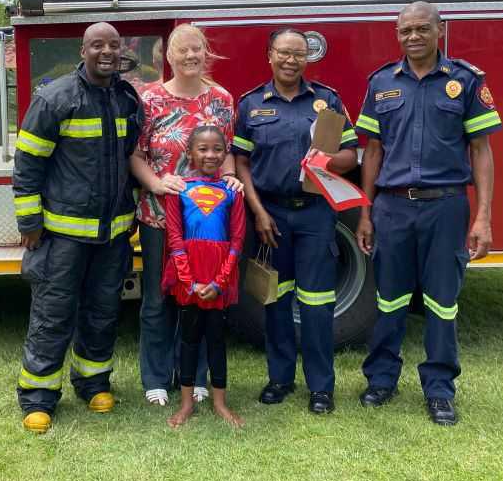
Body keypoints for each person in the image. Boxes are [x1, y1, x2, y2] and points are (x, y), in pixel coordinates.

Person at [355, 1, 500, 426]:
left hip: (446, 205)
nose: (413, 37)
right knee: (389, 299)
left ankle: (439, 389)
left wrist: (483, 216)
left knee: (442, 302)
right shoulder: (382, 83)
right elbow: (373, 153)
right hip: (392, 206)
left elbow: (481, 151)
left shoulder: (466, 81)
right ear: (397, 34)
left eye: (421, 29)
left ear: (440, 30)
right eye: (405, 31)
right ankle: (381, 379)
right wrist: (365, 212)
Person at [12, 22, 143, 434]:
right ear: (83, 50)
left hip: (112, 234)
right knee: (53, 314)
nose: (107, 51)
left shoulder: (126, 98)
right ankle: (38, 397)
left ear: (121, 51)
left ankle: (93, 383)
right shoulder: (55, 98)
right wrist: (30, 221)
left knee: (102, 313)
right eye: (97, 45)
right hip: (62, 235)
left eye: (113, 45)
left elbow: (131, 158)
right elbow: (28, 163)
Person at [233, 28, 358, 415]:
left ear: (308, 58)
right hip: (271, 213)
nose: (291, 61)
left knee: (318, 303)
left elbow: (351, 155)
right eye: (284, 53)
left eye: (299, 54)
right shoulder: (251, 104)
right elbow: (240, 162)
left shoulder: (327, 101)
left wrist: (325, 160)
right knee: (275, 299)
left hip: (316, 213)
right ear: (270, 55)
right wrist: (258, 212)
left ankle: (321, 387)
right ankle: (280, 379)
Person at [129, 24, 240, 408]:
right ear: (167, 56)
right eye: (183, 50)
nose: (191, 56)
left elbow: (226, 153)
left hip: (208, 222)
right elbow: (136, 154)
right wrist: (157, 184)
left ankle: (194, 376)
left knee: (203, 297)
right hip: (160, 216)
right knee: (160, 298)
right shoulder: (150, 100)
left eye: (197, 49)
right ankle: (156, 379)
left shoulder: (222, 100)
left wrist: (229, 181)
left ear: (206, 52)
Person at [163, 126, 246, 428]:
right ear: (190, 153)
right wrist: (189, 281)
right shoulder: (180, 189)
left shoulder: (232, 191)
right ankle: (186, 404)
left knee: (216, 340)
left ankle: (220, 403)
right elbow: (174, 237)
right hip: (190, 276)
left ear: (225, 154)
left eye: (217, 149)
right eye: (203, 149)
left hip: (218, 275)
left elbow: (237, 241)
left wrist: (219, 282)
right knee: (188, 340)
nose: (210, 155)